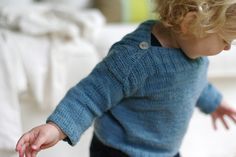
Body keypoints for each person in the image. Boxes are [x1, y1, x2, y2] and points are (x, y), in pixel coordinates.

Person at [16, 0, 236, 157]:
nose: (227, 48)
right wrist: (56, 127)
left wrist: (214, 102)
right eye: (225, 39)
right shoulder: (135, 57)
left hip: (165, 151)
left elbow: (193, 82)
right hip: (119, 150)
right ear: (191, 23)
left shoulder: (195, 52)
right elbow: (90, 95)